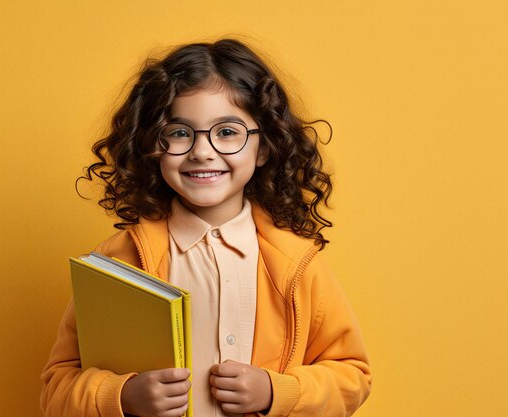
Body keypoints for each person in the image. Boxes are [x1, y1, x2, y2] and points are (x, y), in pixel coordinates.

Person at [41, 38, 372, 417]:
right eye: (180, 132)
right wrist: (123, 395)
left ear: (263, 148)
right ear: (152, 145)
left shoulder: (296, 263)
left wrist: (275, 392)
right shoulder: (118, 262)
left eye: (227, 131)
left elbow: (352, 376)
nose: (202, 151)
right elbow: (57, 389)